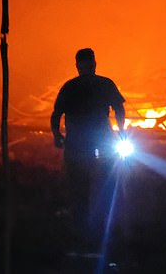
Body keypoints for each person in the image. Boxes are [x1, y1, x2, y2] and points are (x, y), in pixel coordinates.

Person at [50, 48, 126, 246]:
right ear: (94, 64)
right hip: (100, 141)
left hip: (78, 143)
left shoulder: (70, 87)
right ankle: (102, 227)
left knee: (79, 187)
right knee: (106, 183)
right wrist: (122, 131)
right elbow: (119, 108)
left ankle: (84, 229)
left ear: (78, 66)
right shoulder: (105, 84)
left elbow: (56, 114)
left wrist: (57, 136)